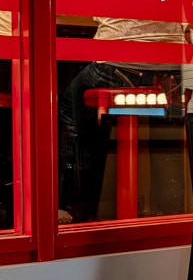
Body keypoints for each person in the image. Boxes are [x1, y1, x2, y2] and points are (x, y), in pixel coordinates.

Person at [58, 17, 185, 223]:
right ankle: (174, 210)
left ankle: (65, 204)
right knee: (167, 130)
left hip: (117, 62)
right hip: (173, 66)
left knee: (67, 109)